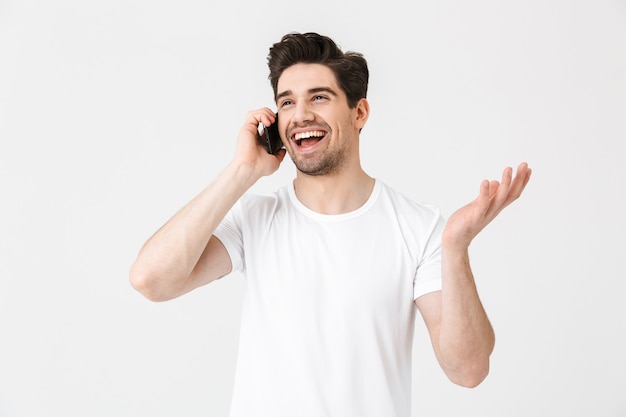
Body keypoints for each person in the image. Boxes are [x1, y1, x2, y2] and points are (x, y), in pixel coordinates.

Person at [129, 32, 532, 417]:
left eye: (318, 97)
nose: (300, 115)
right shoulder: (253, 218)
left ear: (359, 112)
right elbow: (151, 280)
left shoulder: (419, 227)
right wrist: (242, 170)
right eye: (286, 103)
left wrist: (456, 248)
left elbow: (468, 370)